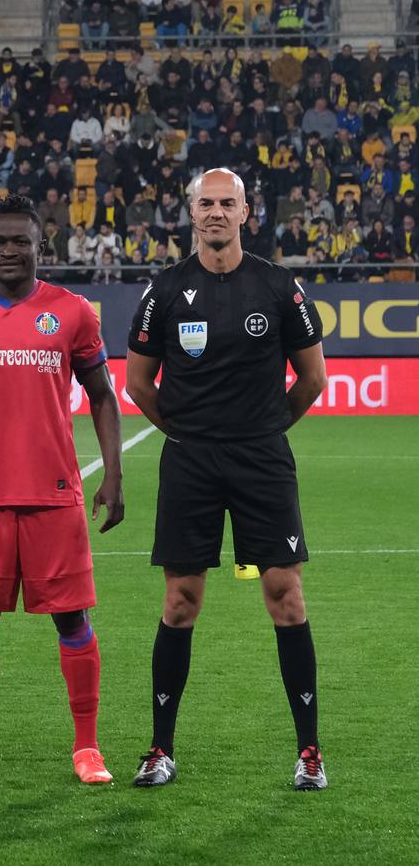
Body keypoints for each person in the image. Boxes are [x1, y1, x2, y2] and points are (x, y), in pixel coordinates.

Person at [125, 168, 329, 790]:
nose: (216, 213)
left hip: (261, 460)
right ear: (190, 213)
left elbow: (312, 379)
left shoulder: (277, 285)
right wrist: (186, 434)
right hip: (190, 461)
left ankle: (310, 752)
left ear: (247, 213)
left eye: (227, 204)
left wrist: (265, 431)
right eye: (205, 204)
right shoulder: (166, 290)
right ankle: (160, 749)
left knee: (284, 596)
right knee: (180, 602)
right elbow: (138, 384)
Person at [0, 194, 125, 785]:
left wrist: (112, 473)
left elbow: (104, 395)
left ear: (42, 248)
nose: (9, 251)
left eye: (20, 241)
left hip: (55, 493)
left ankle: (87, 748)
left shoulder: (73, 312)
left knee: (73, 623)